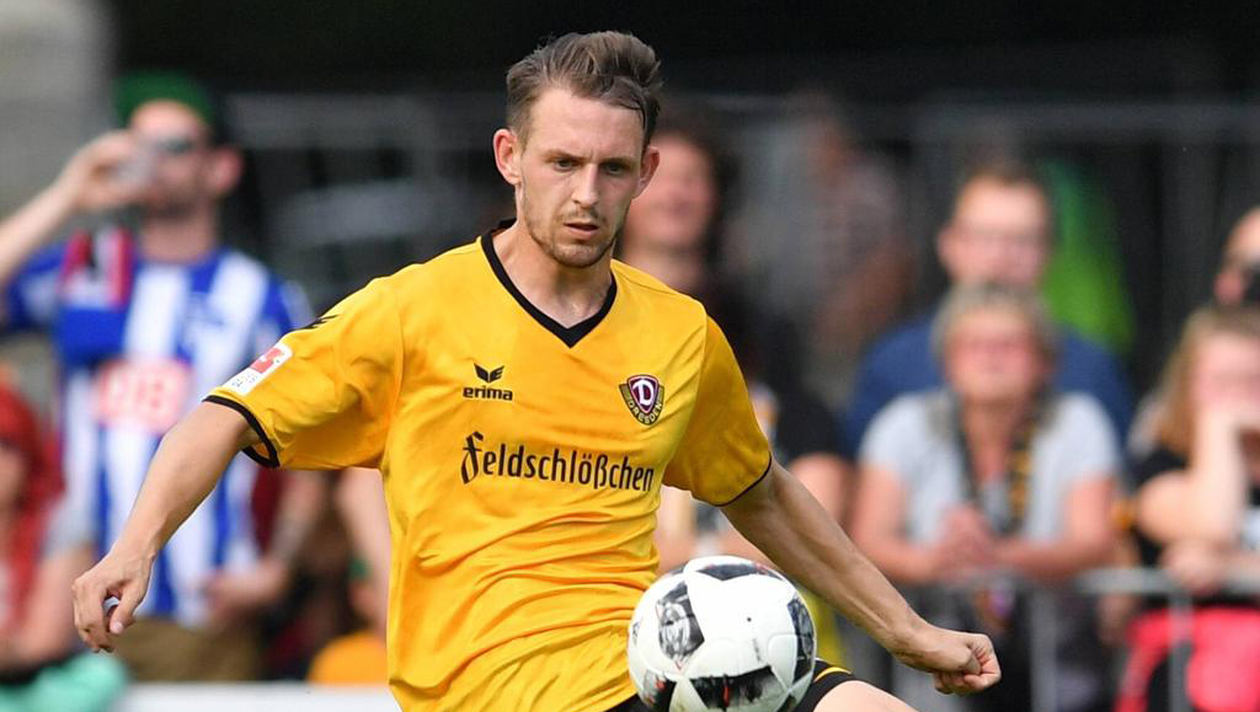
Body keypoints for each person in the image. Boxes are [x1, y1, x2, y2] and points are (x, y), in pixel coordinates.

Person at [72, 33, 999, 712]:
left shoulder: (680, 334)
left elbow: (761, 492)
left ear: (647, 172)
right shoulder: (413, 309)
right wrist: (132, 547)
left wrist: (906, 631)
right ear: (511, 158)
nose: (586, 195)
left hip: (653, 665)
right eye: (563, 163)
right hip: (485, 686)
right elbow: (226, 412)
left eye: (612, 169)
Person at [0, 73, 320, 680]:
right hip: (61, 607)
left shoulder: (259, 296)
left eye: (174, 146)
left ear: (221, 168)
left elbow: (313, 445)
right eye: (138, 143)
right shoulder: (82, 268)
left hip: (200, 612)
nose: (153, 161)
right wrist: (67, 195)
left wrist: (276, 569)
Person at [618, 114, 849, 663]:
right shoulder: (576, 327)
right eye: (659, 176)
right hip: (617, 634)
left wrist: (685, 552)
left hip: (763, 644)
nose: (675, 193)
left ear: (716, 198)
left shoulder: (760, 330)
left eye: (692, 178)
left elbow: (812, 490)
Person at [850, 284, 1118, 712]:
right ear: (946, 362)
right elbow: (868, 541)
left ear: (1044, 362)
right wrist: (936, 562)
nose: (990, 357)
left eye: (1009, 345)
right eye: (973, 344)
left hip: (1056, 675)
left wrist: (996, 556)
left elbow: (1093, 541)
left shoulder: (1078, 422)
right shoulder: (903, 424)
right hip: (930, 681)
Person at [845, 160, 1133, 451]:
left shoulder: (1091, 368)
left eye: (1022, 240)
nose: (1001, 256)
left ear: (1050, 252)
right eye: (985, 237)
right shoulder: (895, 362)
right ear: (948, 245)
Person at [1120, 305, 1260, 712]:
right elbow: (1211, 525)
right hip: (1190, 680)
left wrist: (1232, 568)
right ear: (1186, 386)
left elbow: (1216, 547)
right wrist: (1219, 427)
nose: (1237, 395)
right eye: (1220, 381)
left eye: (1253, 380)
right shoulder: (1160, 466)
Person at [0, 381, 127, 711]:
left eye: (5, 444)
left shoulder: (59, 522)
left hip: (41, 684)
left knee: (102, 676)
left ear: (28, 452)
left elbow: (42, 643)